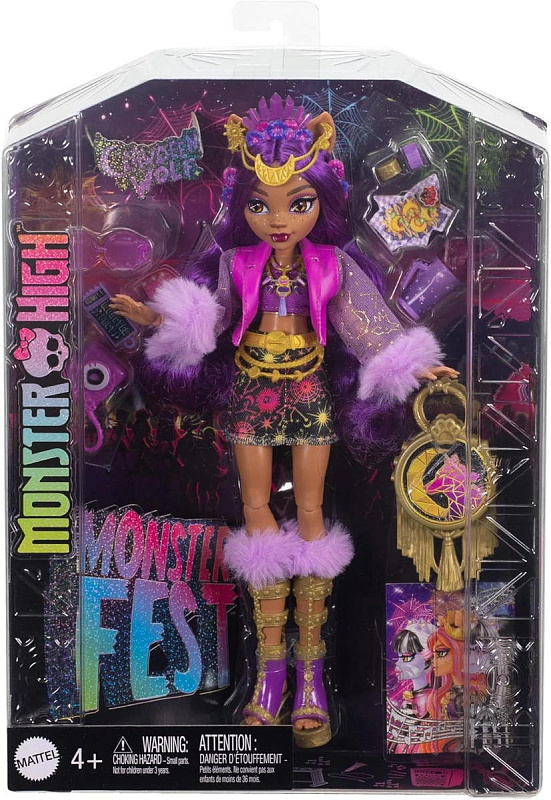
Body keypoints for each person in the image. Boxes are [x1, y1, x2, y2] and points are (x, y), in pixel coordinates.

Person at [110, 93, 458, 748]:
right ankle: (270, 678)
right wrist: (155, 317)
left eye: (297, 204)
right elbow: (209, 320)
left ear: (321, 203)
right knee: (257, 514)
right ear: (240, 206)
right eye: (260, 205)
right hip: (250, 392)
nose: (277, 219)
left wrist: (414, 366)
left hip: (308, 392)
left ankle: (312, 680)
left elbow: (367, 328)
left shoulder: (331, 265)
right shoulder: (236, 264)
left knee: (312, 516)